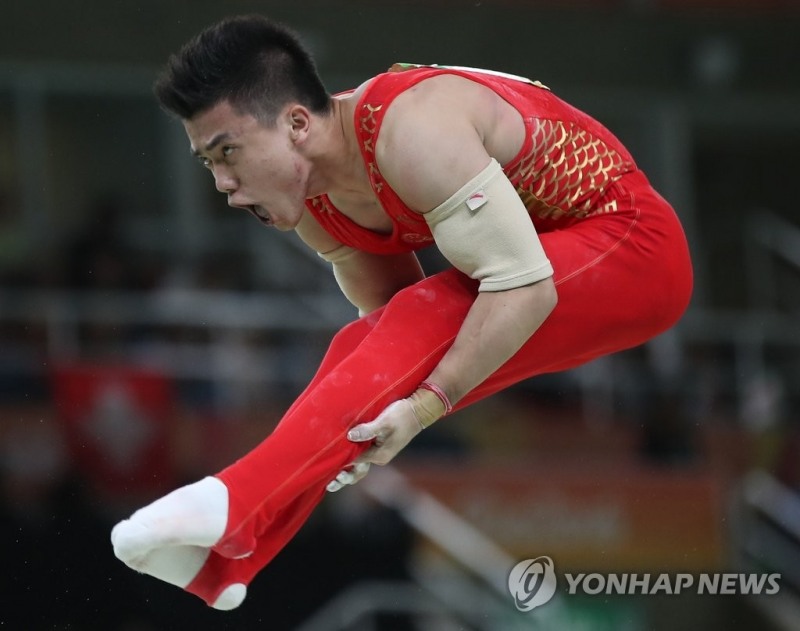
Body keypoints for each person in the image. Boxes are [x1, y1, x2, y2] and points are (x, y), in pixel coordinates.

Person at [111, 14, 693, 611]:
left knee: (427, 309)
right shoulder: (315, 203)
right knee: (357, 347)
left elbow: (522, 289)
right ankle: (233, 561)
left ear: (295, 124)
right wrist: (357, 427)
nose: (224, 184)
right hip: (538, 269)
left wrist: (422, 409)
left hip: (636, 248)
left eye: (227, 151)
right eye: (208, 164)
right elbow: (391, 335)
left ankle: (234, 497)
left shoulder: (411, 130)